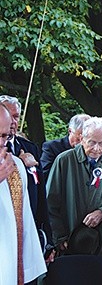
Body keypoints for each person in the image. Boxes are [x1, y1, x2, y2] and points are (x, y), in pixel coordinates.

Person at [46, 117, 102, 283]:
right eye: (92, 142)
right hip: (70, 242)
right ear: (81, 139)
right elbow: (50, 203)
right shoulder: (64, 161)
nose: (97, 149)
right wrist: (60, 237)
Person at [0, 95, 53, 257]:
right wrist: (19, 164)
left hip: (30, 232)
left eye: (16, 116)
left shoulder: (30, 148)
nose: (12, 122)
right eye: (8, 115)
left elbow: (41, 196)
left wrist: (48, 239)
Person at [40, 113, 90, 178]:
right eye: (78, 139)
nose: (82, 143)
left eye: (87, 139)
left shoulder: (96, 150)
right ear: (70, 131)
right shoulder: (52, 147)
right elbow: (45, 174)